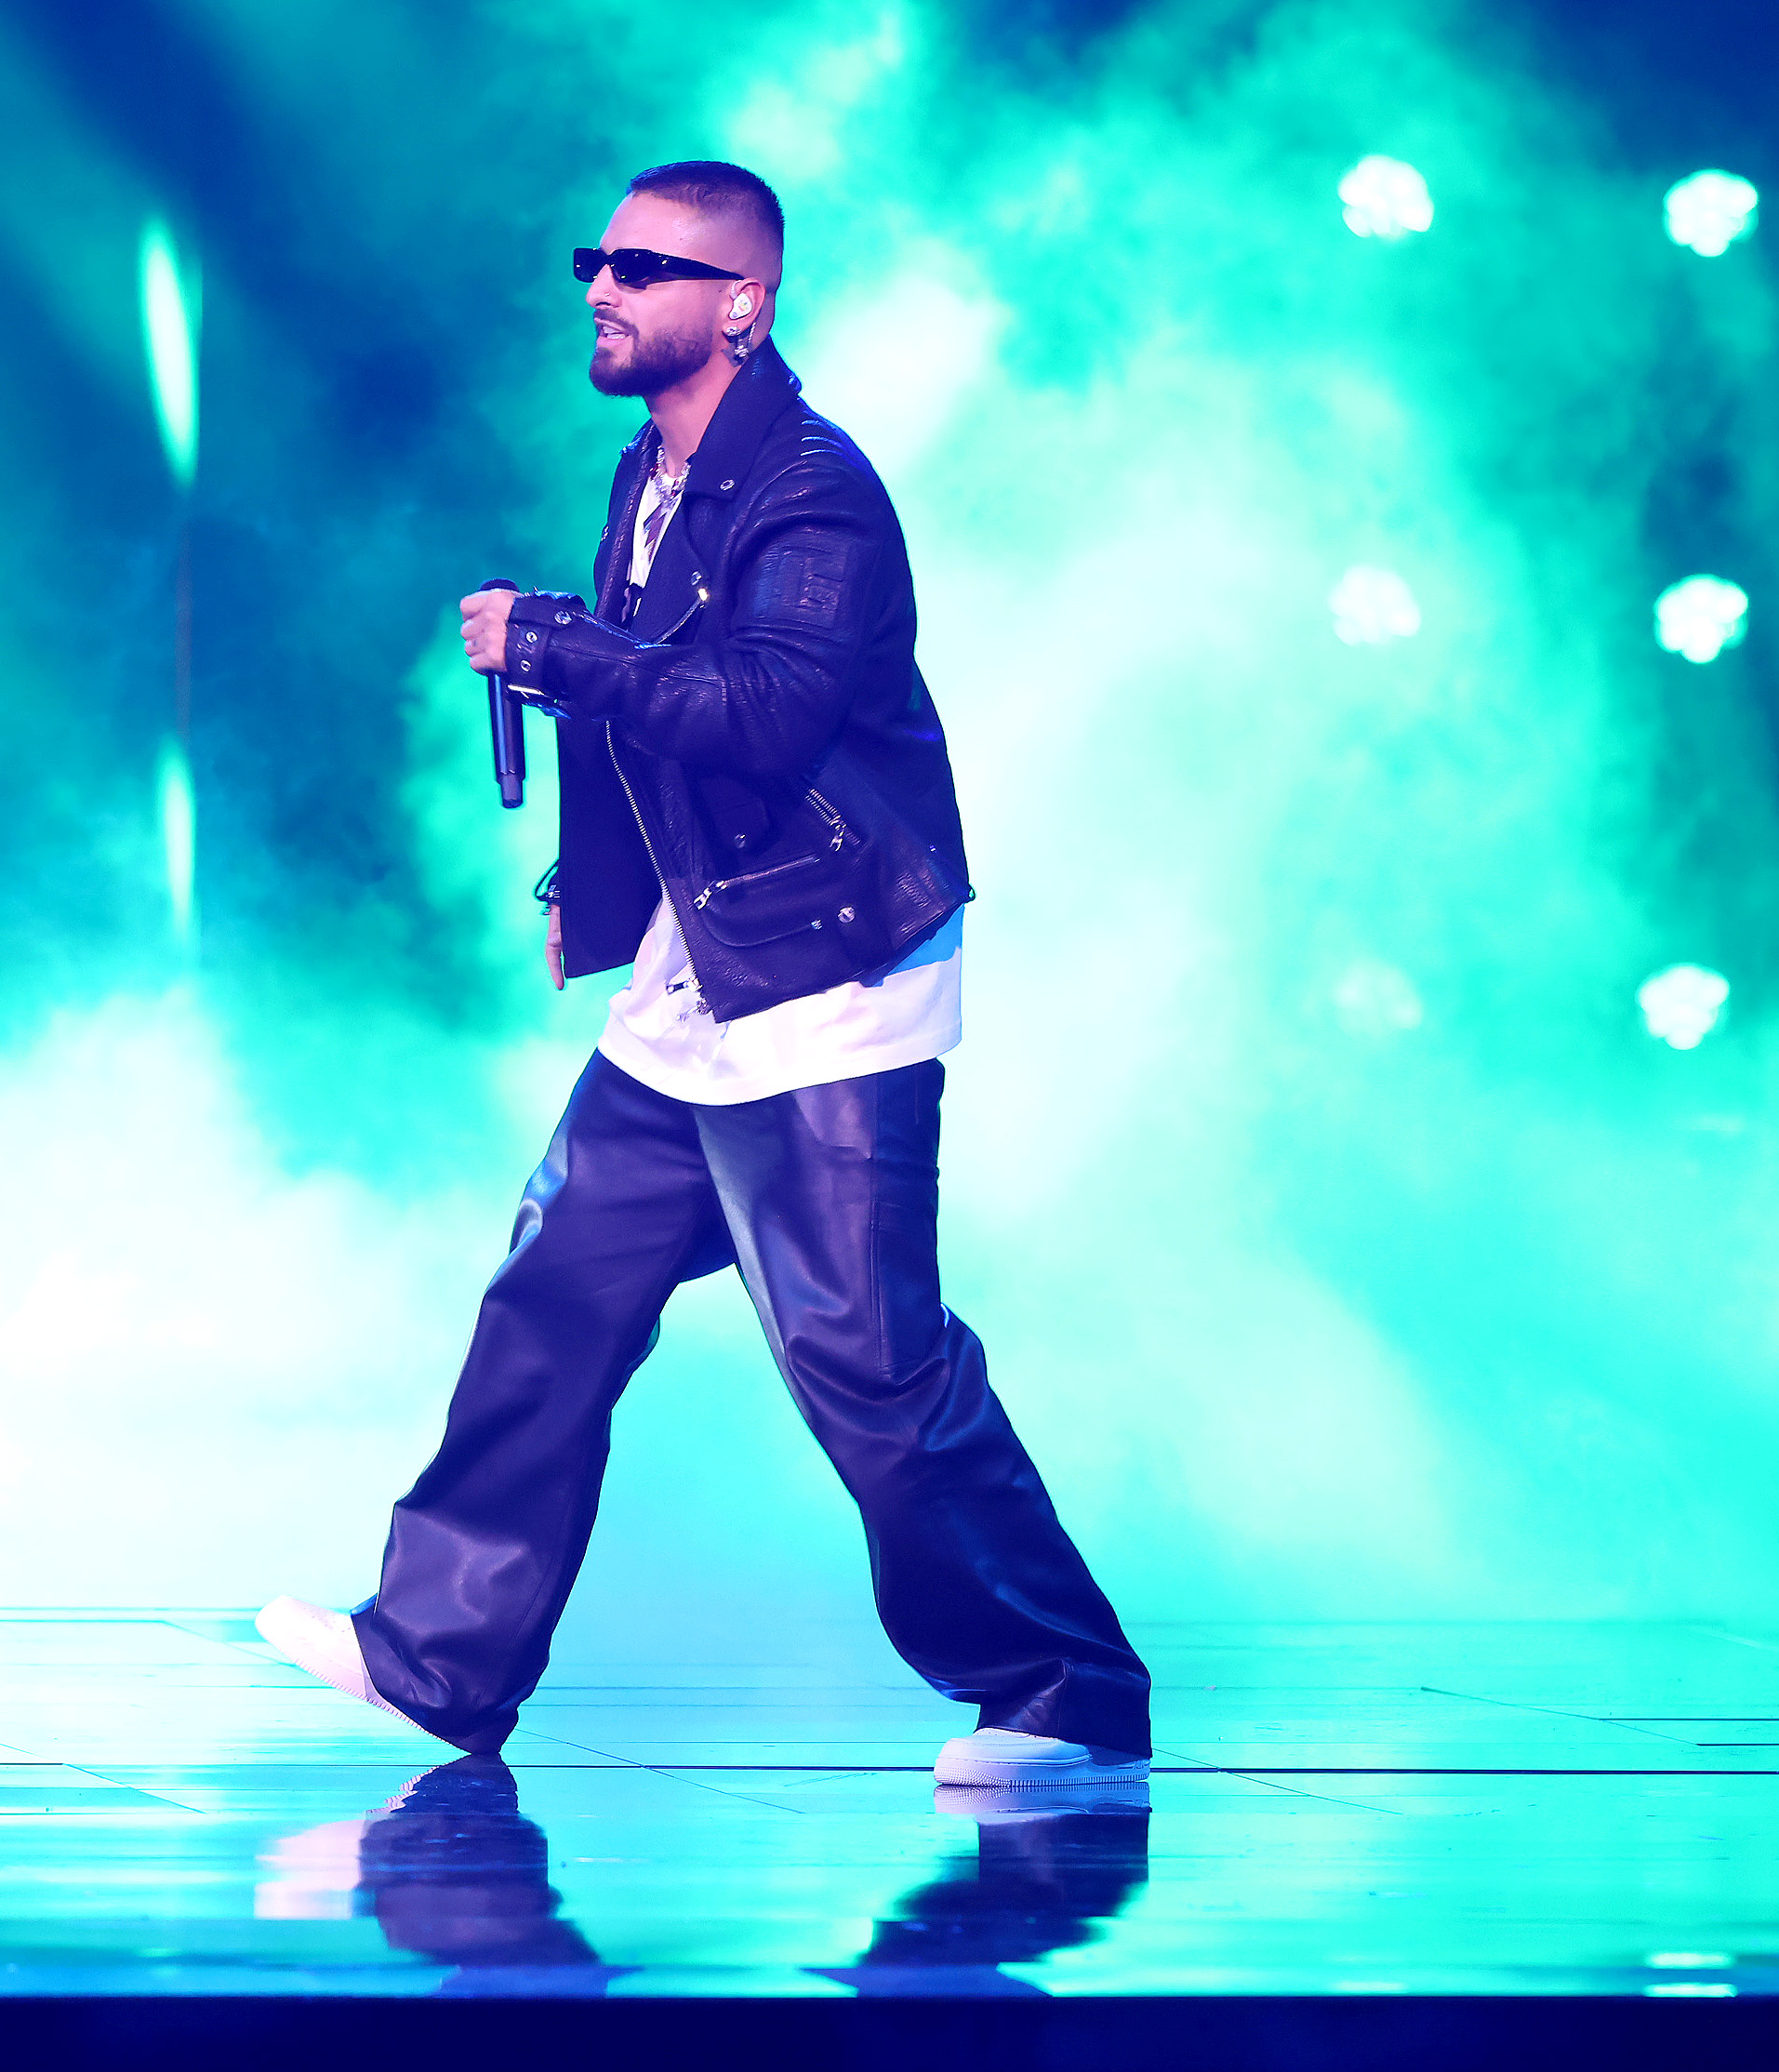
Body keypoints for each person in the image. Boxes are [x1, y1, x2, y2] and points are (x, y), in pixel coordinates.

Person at [258, 159, 1151, 1786]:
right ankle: (437, 1662)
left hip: (826, 984)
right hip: (703, 979)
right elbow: (653, 730)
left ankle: (1069, 1694)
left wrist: (551, 643)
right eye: (593, 261)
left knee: (869, 1368)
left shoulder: (813, 493)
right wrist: (596, 894)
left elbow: (759, 713)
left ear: (742, 302)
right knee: (551, 1301)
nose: (602, 288)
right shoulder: (653, 474)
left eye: (644, 268)